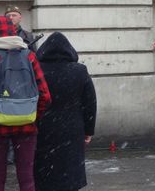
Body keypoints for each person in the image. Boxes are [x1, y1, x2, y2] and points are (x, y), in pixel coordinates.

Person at [0, 16, 51, 191]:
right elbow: (45, 95)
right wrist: (32, 115)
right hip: (27, 125)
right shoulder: (30, 56)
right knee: (27, 178)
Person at [34, 32, 97, 191]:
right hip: (72, 127)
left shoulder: (37, 70)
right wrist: (88, 130)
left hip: (43, 126)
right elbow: (90, 102)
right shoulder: (79, 70)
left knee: (44, 170)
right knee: (70, 169)